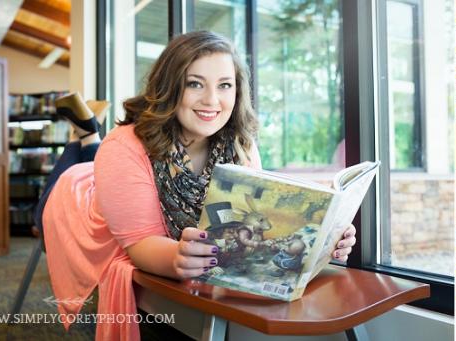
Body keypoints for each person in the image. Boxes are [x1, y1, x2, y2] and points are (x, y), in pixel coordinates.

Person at [37, 31, 357, 340]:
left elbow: (258, 221)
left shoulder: (240, 143)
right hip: (79, 202)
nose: (211, 100)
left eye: (225, 85)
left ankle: (90, 138)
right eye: (194, 84)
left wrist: (324, 238)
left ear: (238, 91)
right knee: (80, 167)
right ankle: (89, 136)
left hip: (117, 182)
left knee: (96, 160)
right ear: (170, 87)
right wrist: (177, 256)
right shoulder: (123, 148)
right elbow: (140, 243)